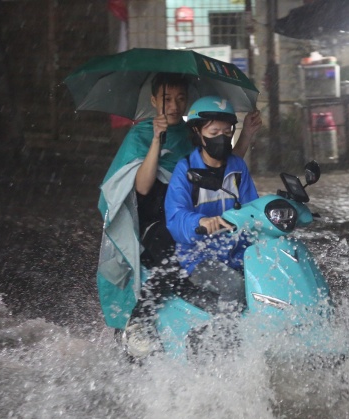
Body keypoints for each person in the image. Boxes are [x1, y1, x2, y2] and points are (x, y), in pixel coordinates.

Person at [96, 73, 261, 330]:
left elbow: (223, 165)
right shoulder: (140, 135)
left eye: (180, 99)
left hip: (193, 213)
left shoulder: (191, 133)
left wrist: (247, 134)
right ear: (153, 101)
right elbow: (142, 186)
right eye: (167, 99)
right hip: (155, 219)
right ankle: (140, 322)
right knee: (175, 259)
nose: (174, 106)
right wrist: (156, 140)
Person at [165, 96, 260, 308]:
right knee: (234, 286)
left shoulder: (237, 167)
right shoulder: (186, 170)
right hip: (198, 258)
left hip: (237, 254)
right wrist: (201, 222)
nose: (222, 139)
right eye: (214, 133)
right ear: (198, 133)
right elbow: (175, 217)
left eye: (227, 133)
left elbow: (253, 207)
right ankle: (223, 339)